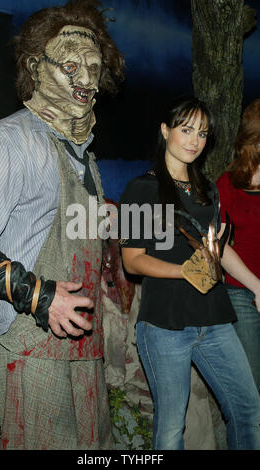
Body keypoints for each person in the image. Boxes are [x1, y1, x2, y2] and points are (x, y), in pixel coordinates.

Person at [0, 0, 124, 450]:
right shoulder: (7, 141)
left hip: (85, 354)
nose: (85, 78)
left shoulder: (85, 158)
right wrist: (39, 295)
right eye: (69, 64)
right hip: (31, 349)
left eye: (94, 67)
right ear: (35, 67)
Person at [118, 95, 260, 450]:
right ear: (166, 131)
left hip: (214, 319)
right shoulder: (142, 188)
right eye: (187, 130)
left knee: (248, 409)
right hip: (165, 325)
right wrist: (184, 271)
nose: (195, 141)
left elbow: (218, 250)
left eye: (203, 133)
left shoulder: (207, 190)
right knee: (170, 429)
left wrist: (257, 286)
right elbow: (132, 260)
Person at [217, 98, 260, 394]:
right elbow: (218, 245)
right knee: (252, 390)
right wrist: (258, 288)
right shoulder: (229, 183)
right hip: (242, 291)